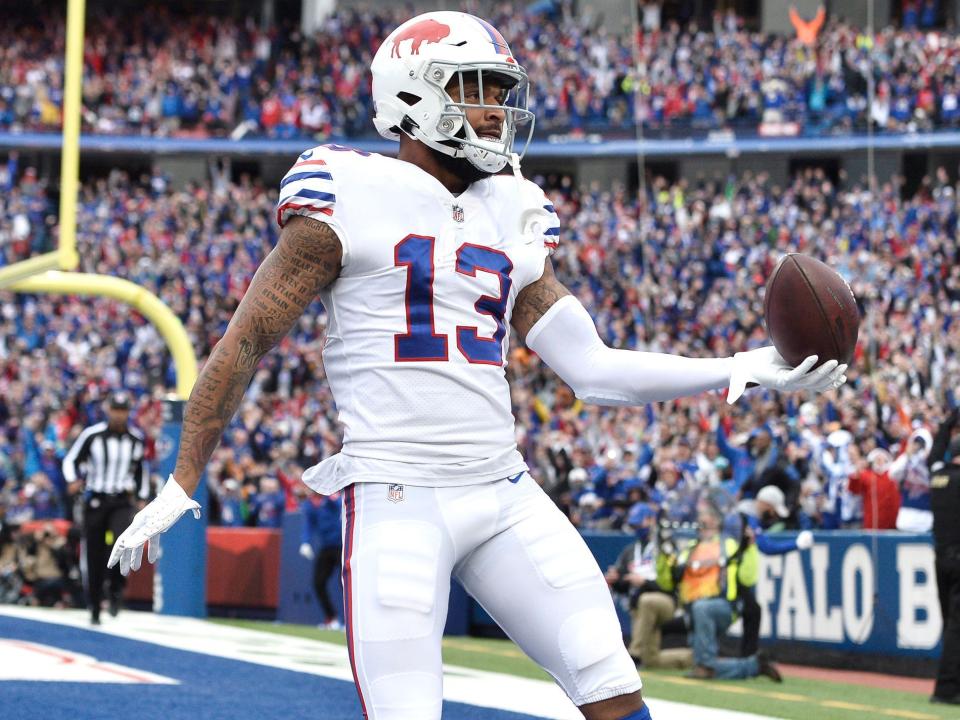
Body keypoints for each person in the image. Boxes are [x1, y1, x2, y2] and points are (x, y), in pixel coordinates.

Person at [106, 12, 845, 720]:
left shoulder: (511, 208)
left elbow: (591, 368)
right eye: (475, 88)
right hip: (399, 496)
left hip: (504, 492)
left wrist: (740, 365)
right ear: (413, 92)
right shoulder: (347, 193)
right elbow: (244, 343)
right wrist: (181, 479)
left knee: (610, 676)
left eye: (499, 91)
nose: (495, 109)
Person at [657, 495, 781, 682]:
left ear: (716, 521)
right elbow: (667, 582)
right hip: (692, 610)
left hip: (723, 606)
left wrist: (749, 549)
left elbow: (747, 579)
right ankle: (753, 666)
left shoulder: (729, 545)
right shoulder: (690, 548)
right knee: (699, 662)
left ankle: (707, 665)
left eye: (706, 517)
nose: (701, 521)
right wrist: (663, 555)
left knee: (702, 609)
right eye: (700, 517)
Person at [63, 390, 149, 625]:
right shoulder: (92, 435)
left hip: (121, 501)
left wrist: (142, 498)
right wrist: (72, 480)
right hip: (96, 500)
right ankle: (94, 605)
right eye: (116, 409)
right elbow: (70, 459)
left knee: (120, 543)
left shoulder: (135, 439)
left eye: (123, 410)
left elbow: (141, 469)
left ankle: (115, 589)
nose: (119, 415)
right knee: (94, 552)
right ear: (108, 410)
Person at [607, 503, 692, 670]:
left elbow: (672, 583)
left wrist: (645, 582)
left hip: (666, 601)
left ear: (651, 520)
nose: (637, 528)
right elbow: (622, 585)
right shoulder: (630, 550)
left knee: (647, 600)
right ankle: (692, 658)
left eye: (640, 523)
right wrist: (616, 579)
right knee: (652, 661)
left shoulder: (666, 548)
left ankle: (634, 654)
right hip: (638, 606)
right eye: (634, 525)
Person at [734, 485, 815, 657]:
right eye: (772, 510)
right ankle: (746, 658)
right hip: (732, 574)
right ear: (765, 504)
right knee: (748, 612)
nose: (773, 516)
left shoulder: (744, 514)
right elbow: (767, 547)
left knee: (752, 612)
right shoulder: (746, 516)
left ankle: (747, 656)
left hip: (736, 573)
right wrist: (797, 544)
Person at [928, 409, 960, 705]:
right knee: (956, 627)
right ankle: (947, 689)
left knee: (951, 623)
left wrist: (949, 420)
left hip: (941, 558)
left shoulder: (938, 476)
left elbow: (934, 454)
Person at [299, 488, 344, 629]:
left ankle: (351, 620)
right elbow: (308, 525)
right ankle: (332, 618)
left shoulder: (330, 497)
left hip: (341, 545)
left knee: (344, 582)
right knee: (318, 583)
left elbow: (340, 506)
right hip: (326, 546)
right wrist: (305, 542)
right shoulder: (309, 504)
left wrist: (330, 495)